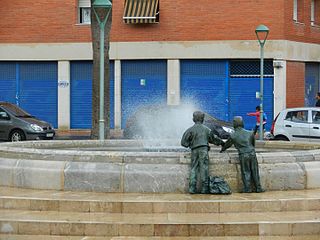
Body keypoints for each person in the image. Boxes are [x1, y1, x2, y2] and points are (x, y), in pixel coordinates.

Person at [181, 111, 225, 194]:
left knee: (193, 168)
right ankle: (204, 188)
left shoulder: (189, 130)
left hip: (194, 150)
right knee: (204, 168)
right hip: (204, 150)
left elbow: (183, 143)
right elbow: (214, 139)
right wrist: (222, 143)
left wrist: (190, 144)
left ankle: (192, 188)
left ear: (193, 119)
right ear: (203, 119)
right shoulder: (206, 129)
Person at [220, 116, 264, 193]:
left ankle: (247, 188)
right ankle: (258, 188)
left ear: (234, 124)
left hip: (243, 155)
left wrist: (222, 150)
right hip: (252, 153)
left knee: (246, 171)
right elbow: (253, 144)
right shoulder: (250, 133)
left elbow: (227, 145)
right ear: (242, 123)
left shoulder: (233, 135)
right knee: (255, 171)